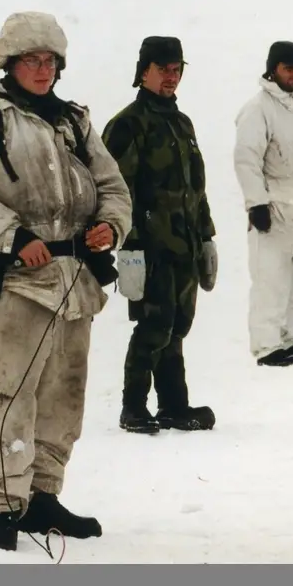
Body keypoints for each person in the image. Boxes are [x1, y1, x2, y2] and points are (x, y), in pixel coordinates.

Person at [0, 11, 133, 551]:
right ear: (10, 63)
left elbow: (113, 187)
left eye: (50, 61)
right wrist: (14, 236)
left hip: (75, 283)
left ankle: (42, 495)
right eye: (32, 60)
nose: (43, 69)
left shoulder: (75, 122)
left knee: (62, 398)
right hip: (19, 283)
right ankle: (1, 506)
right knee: (6, 393)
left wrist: (108, 227)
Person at [102, 36, 218, 434]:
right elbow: (115, 190)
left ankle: (173, 404)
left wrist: (206, 237)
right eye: (164, 69)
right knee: (155, 325)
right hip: (149, 246)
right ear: (144, 71)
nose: (172, 77)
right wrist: (129, 247)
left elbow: (196, 187)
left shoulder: (181, 123)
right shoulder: (127, 125)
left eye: (177, 69)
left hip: (183, 243)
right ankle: (133, 405)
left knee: (178, 325)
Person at [233, 41, 293, 367]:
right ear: (273, 68)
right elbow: (247, 159)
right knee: (270, 281)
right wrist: (256, 203)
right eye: (289, 67)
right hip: (274, 213)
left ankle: (291, 341)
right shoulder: (258, 108)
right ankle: (267, 346)